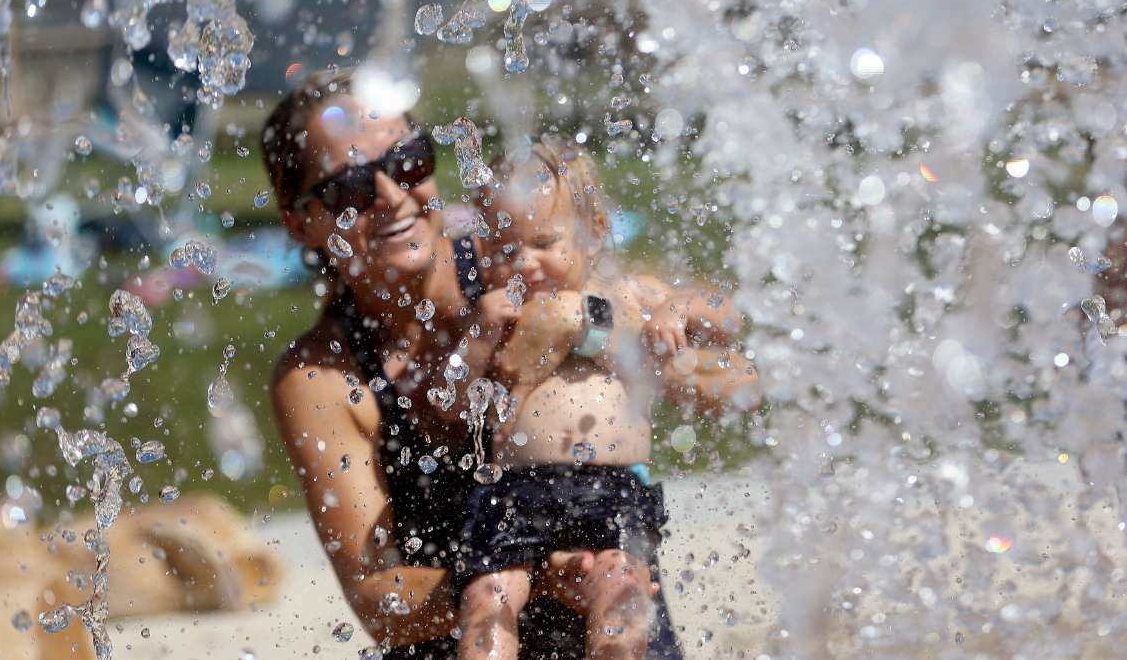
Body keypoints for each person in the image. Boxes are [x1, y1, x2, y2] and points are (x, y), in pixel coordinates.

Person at [261, 70, 690, 658]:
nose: (391, 195)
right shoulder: (321, 378)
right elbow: (376, 600)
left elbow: (706, 332)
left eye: (409, 160)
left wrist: (581, 319)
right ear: (300, 222)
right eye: (349, 188)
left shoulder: (522, 259)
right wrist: (525, 573)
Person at [447, 140, 756, 660]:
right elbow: (457, 401)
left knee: (623, 593)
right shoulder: (498, 310)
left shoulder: (629, 294)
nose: (524, 263)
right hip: (516, 490)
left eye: (543, 242)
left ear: (593, 232)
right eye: (504, 251)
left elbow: (727, 314)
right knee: (485, 597)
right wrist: (478, 339)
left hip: (611, 486)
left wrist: (677, 312)